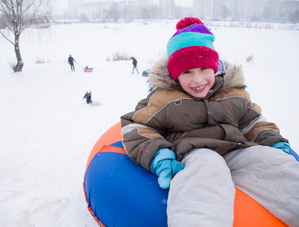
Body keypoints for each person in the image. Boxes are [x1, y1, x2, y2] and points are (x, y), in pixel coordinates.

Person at [121, 17, 299, 226]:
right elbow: (138, 126)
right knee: (206, 170)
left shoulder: (234, 93)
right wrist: (158, 154)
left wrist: (274, 142)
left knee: (270, 161)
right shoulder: (164, 99)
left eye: (204, 69)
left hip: (236, 148)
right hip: (194, 151)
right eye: (187, 72)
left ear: (216, 67)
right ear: (175, 74)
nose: (197, 80)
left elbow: (252, 121)